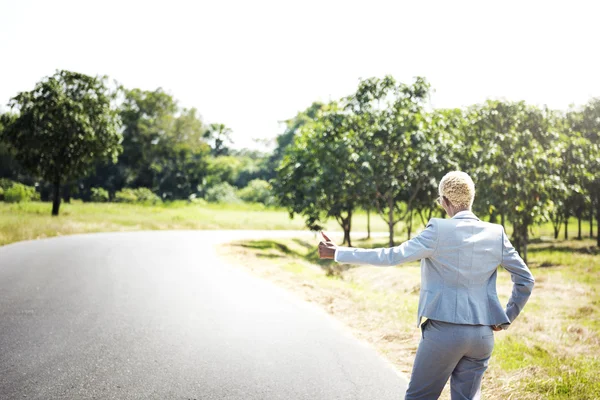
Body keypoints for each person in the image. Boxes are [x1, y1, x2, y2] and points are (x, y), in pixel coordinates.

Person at [318, 171, 535, 400]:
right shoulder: (496, 234)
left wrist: (338, 252)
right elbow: (525, 280)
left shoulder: (438, 231)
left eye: (441, 200)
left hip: (444, 332)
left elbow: (391, 256)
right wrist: (505, 318)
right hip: (482, 336)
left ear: (445, 201)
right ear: (471, 199)